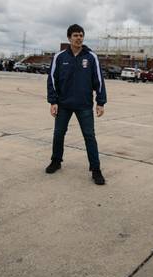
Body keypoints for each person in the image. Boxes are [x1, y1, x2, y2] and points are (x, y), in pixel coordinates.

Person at [46, 24, 107, 185]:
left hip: (84, 105)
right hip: (63, 104)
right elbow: (52, 80)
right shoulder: (60, 57)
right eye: (75, 35)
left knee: (89, 137)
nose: (79, 38)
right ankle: (56, 161)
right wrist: (53, 101)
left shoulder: (91, 57)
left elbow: (99, 80)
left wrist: (100, 102)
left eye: (81, 35)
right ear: (69, 38)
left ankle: (96, 170)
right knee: (58, 134)